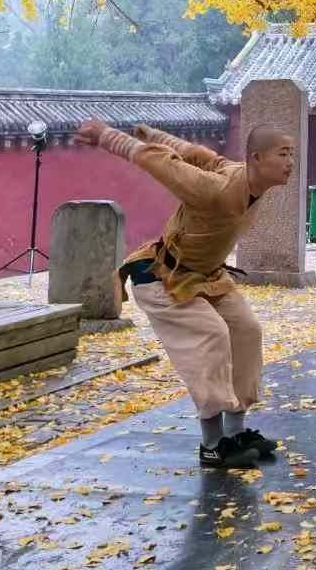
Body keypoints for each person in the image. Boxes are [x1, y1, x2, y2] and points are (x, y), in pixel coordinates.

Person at [74, 118, 295, 469]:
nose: (290, 163)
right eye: (283, 154)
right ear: (256, 158)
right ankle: (212, 444)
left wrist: (152, 132)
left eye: (291, 154)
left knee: (246, 331)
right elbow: (161, 162)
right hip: (162, 276)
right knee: (211, 335)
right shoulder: (215, 190)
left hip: (208, 277)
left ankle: (235, 433)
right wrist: (106, 136)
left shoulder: (239, 175)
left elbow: (192, 153)